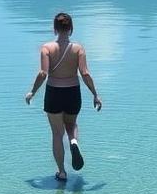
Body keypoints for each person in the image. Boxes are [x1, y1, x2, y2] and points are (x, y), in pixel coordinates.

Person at [25, 12, 102, 181]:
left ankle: (61, 172)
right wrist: (95, 95)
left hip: (54, 93)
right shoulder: (78, 49)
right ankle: (73, 141)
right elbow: (85, 73)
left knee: (57, 134)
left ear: (54, 29)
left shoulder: (47, 48)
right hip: (73, 92)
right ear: (71, 29)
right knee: (71, 124)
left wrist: (32, 92)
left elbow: (43, 73)